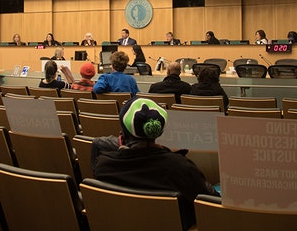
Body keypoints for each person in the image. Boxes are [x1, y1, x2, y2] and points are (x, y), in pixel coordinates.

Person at [93, 98, 218, 230]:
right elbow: (210, 203)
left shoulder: (103, 166)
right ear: (159, 131)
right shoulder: (181, 168)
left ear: (124, 131)